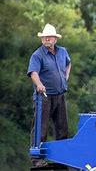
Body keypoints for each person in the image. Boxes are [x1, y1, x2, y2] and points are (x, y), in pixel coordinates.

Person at [27, 23, 71, 167]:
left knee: (62, 127)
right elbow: (33, 72)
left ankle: (62, 157)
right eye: (45, 37)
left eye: (50, 37)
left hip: (59, 94)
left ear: (55, 40)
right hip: (44, 96)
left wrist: (65, 76)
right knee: (41, 128)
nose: (47, 40)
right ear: (42, 39)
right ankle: (37, 159)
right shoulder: (37, 55)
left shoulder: (63, 51)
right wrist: (39, 84)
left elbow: (68, 63)